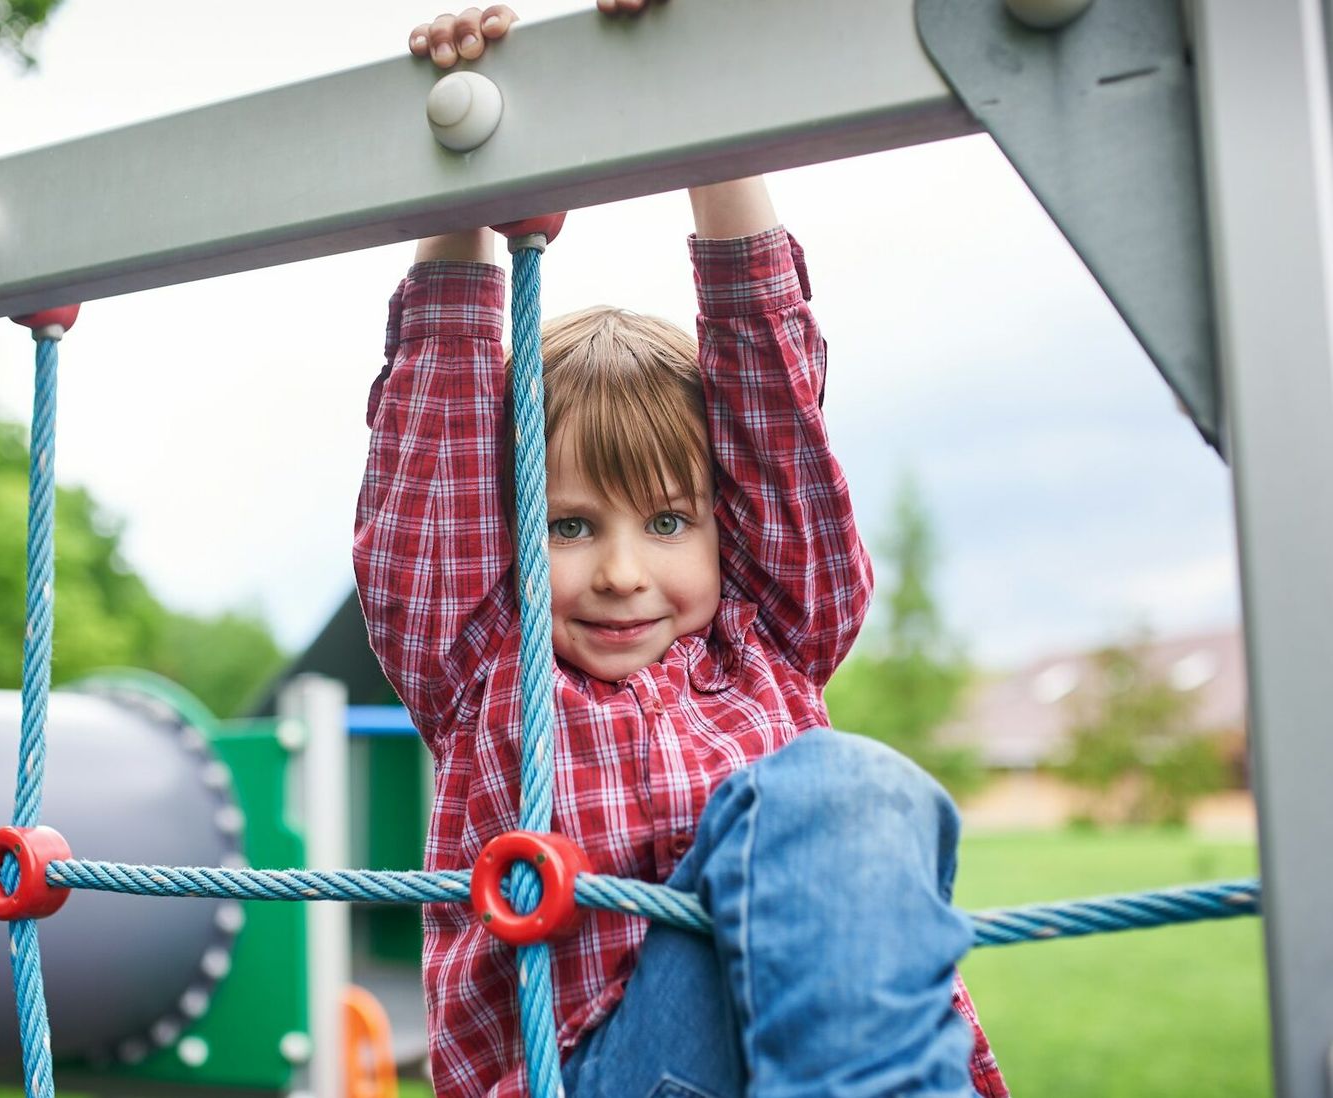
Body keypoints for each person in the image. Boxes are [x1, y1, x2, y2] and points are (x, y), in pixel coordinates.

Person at [353, 7, 1009, 1095]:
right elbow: (434, 450)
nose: (619, 572)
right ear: (509, 535)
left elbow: (771, 400)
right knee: (825, 795)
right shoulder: (485, 667)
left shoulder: (773, 638)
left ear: (726, 526)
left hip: (798, 1053)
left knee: (849, 791)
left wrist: (703, 95)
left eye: (666, 522)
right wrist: (468, 177)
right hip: (600, 1064)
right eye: (568, 526)